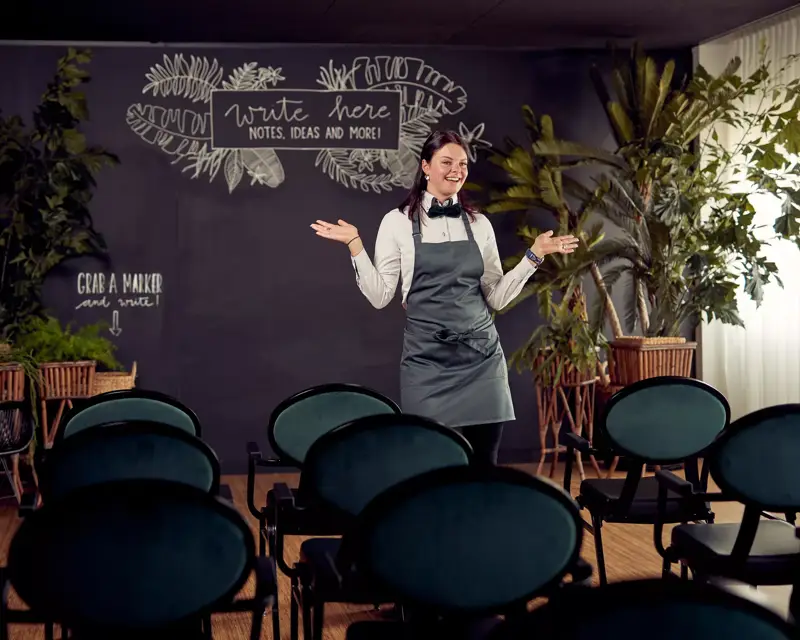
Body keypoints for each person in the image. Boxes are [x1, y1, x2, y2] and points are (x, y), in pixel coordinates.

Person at [311, 130, 578, 466]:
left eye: (463, 164)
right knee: (429, 461)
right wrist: (355, 245)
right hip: (426, 363)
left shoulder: (478, 224)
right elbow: (380, 296)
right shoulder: (396, 222)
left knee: (484, 463)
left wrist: (533, 256)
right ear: (425, 166)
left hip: (481, 358)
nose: (457, 170)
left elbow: (495, 297)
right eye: (447, 162)